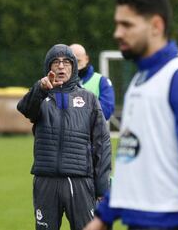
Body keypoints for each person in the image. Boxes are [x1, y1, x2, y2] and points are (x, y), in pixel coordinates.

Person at [84, 0, 178, 230]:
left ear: (156, 26)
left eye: (127, 25)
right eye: (117, 24)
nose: (117, 33)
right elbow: (131, 157)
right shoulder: (139, 81)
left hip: (172, 222)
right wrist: (103, 217)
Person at [17, 44, 111, 230]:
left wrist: (102, 187)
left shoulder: (89, 99)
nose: (61, 66)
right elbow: (25, 109)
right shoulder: (41, 96)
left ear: (74, 67)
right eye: (56, 62)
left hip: (79, 181)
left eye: (66, 62)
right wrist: (40, 88)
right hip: (46, 180)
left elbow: (102, 143)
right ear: (48, 67)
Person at [69, 44, 115, 120]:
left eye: (78, 61)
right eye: (71, 62)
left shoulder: (102, 81)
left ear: (86, 59)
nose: (75, 66)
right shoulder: (59, 82)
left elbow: (106, 112)